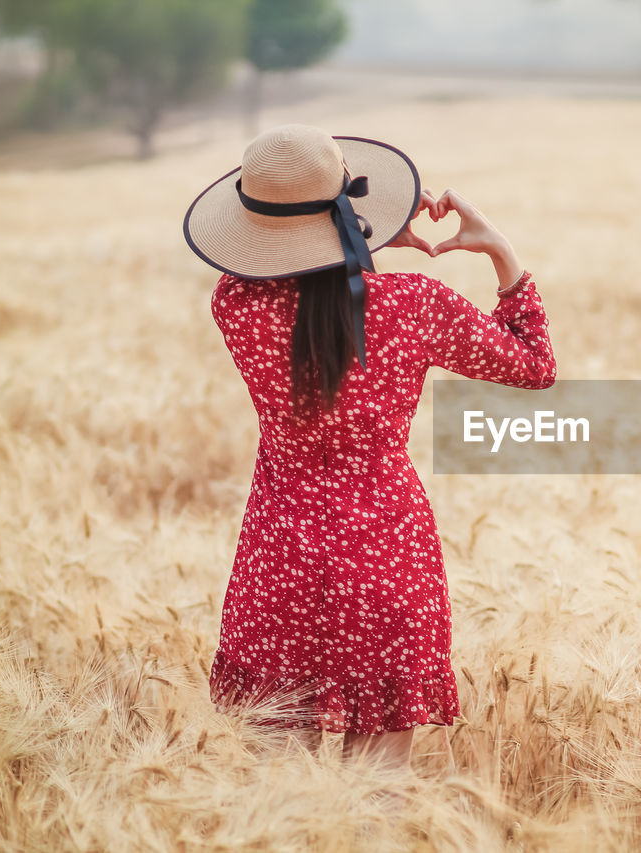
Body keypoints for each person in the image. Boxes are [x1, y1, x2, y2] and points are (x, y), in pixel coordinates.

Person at [182, 123, 556, 770]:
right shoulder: (413, 306)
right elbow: (534, 364)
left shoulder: (235, 305)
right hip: (387, 559)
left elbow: (290, 284)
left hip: (278, 563)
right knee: (377, 802)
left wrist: (355, 242)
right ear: (350, 214)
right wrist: (499, 250)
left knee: (278, 804)